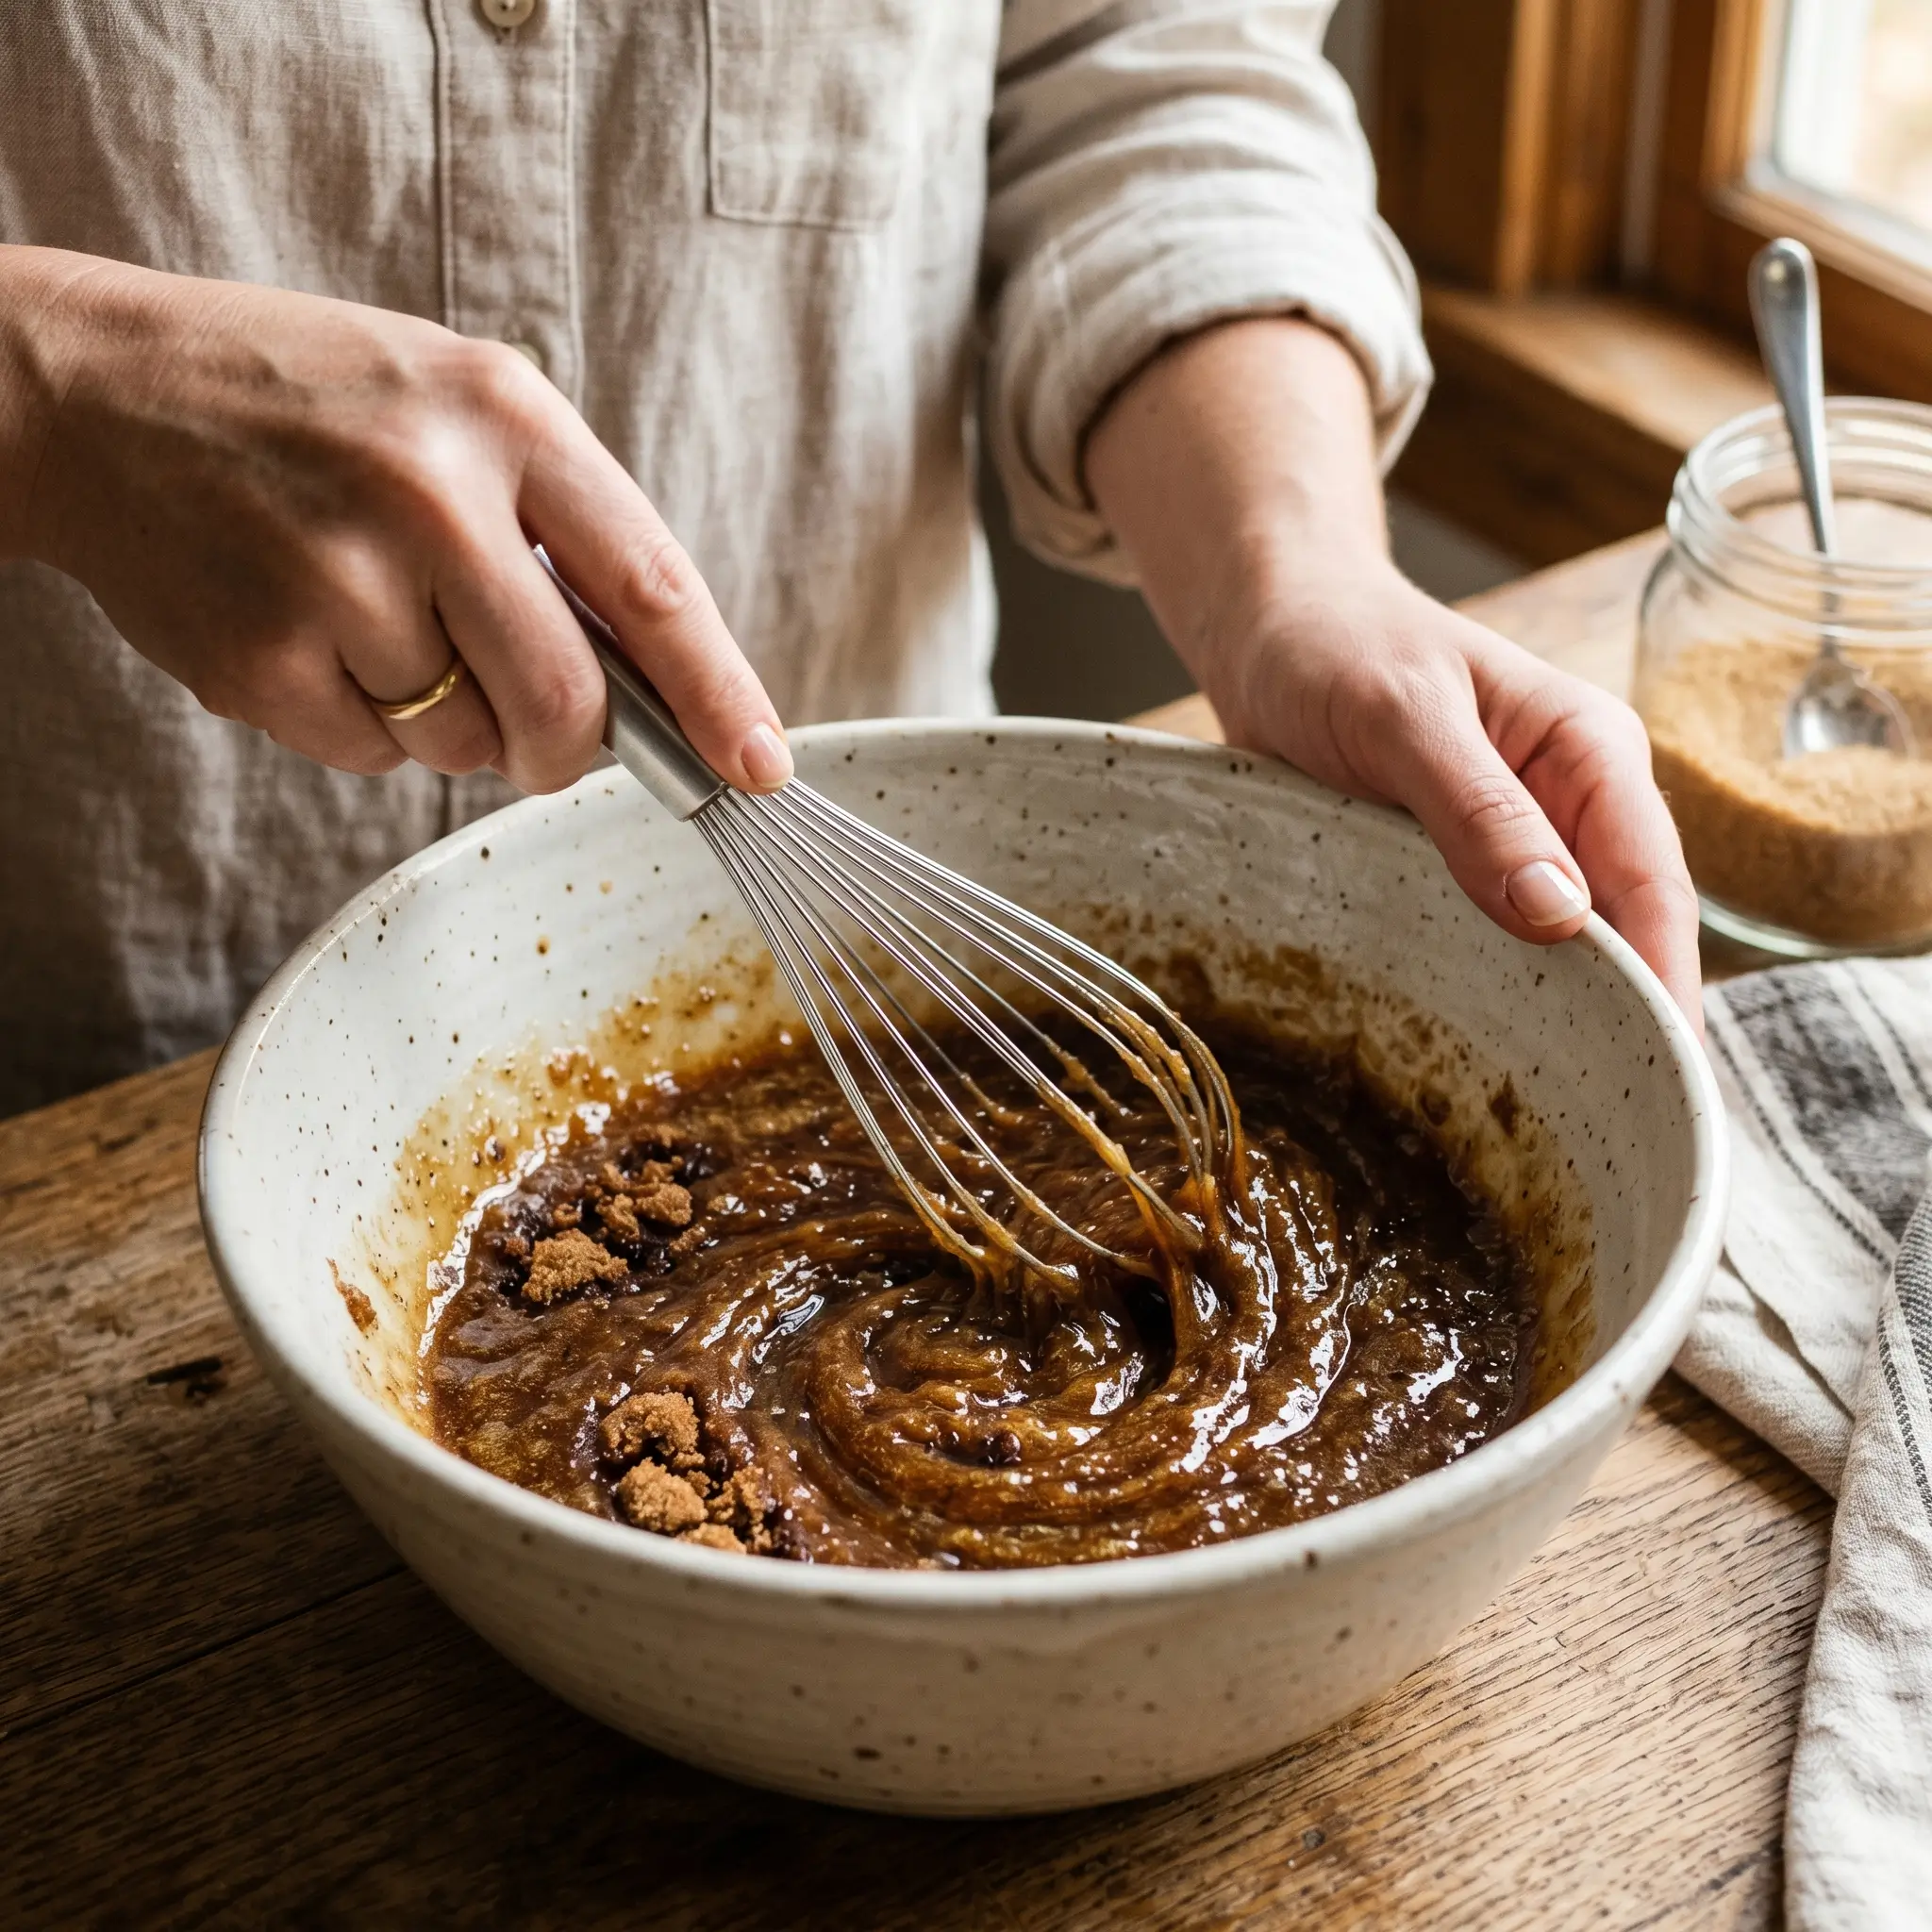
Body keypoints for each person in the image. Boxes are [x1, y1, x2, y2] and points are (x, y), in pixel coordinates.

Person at [0, 2, 1698, 1118]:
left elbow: (1137, 71)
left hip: (918, 969)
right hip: (78, 1075)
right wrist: (58, 390)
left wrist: (1295, 573)